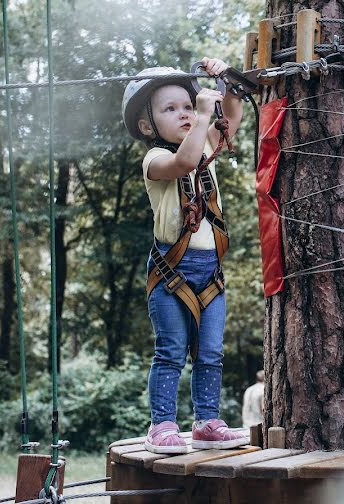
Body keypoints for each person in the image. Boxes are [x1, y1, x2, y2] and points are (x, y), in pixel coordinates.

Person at [122, 58, 249, 454]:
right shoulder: (154, 160)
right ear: (148, 126)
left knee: (210, 352)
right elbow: (185, 162)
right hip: (171, 270)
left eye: (187, 106)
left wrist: (224, 78)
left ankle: (207, 421)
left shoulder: (205, 137)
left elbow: (234, 113)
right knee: (172, 350)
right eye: (170, 109)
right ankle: (162, 425)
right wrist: (201, 117)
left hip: (210, 271)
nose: (184, 114)